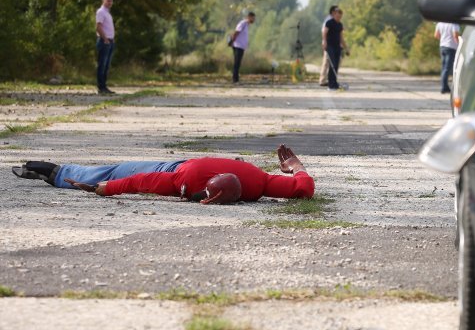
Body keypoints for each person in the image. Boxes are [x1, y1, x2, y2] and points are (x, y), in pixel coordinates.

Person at [11, 145, 313, 204]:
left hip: (194, 162)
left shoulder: (258, 180)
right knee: (112, 172)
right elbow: (140, 182)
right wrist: (105, 189)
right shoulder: (185, 183)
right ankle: (57, 172)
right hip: (173, 168)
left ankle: (54, 171)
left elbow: (303, 189)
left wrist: (297, 168)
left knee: (114, 171)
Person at [322, 7, 348, 91]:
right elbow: (324, 33)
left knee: (336, 65)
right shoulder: (329, 23)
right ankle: (331, 85)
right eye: (337, 16)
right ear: (334, 15)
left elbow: (341, 37)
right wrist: (324, 42)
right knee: (332, 64)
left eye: (340, 17)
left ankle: (334, 83)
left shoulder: (340, 25)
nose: (338, 18)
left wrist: (346, 48)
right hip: (330, 46)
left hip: (337, 47)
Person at [95, 0, 116, 95]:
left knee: (107, 65)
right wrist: (105, 39)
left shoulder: (108, 13)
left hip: (110, 41)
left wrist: (112, 39)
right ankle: (101, 87)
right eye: (108, 1)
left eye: (111, 1)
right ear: (103, 0)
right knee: (102, 65)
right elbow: (98, 27)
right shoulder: (101, 12)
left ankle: (104, 86)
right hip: (104, 41)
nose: (110, 3)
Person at [434, 22, 460, 94]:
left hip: (442, 46)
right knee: (447, 68)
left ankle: (444, 86)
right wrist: (459, 44)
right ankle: (444, 87)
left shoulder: (440, 24)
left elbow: (436, 35)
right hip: (451, 47)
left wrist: (443, 38)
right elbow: (455, 35)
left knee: (444, 67)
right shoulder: (454, 24)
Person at [231, 11, 256, 83]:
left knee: (238, 63)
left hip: (241, 47)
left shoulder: (247, 25)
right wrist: (232, 42)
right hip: (237, 46)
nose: (254, 20)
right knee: (236, 63)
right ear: (249, 17)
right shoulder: (242, 23)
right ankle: (235, 79)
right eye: (253, 18)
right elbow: (236, 32)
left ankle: (236, 78)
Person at [318, 6, 336, 87]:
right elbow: (324, 31)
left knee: (331, 62)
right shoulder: (328, 20)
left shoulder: (333, 20)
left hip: (332, 43)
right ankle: (322, 80)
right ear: (332, 12)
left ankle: (329, 79)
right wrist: (324, 41)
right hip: (328, 43)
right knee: (326, 62)